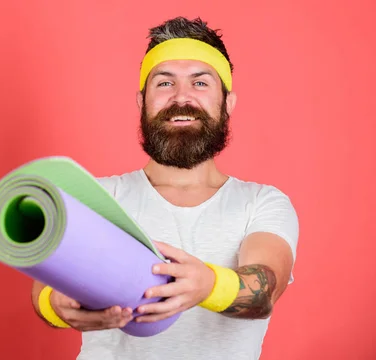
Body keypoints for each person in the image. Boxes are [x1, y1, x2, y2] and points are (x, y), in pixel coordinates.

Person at [30, 16, 299, 360]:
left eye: (200, 83)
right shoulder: (99, 197)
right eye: (164, 83)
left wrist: (207, 285)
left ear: (228, 102)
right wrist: (57, 305)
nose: (181, 97)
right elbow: (44, 287)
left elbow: (265, 290)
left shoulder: (262, 203)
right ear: (141, 101)